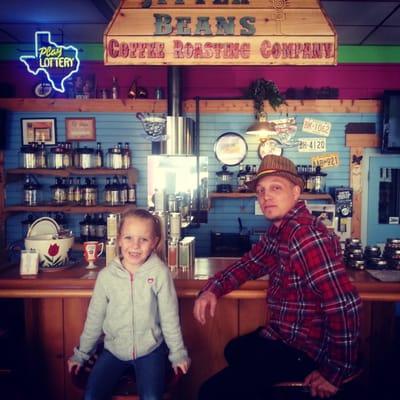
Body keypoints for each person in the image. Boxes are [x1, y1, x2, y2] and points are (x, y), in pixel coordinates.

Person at [194, 155, 362, 400]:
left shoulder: (305, 236)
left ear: (296, 192)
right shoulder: (281, 230)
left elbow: (345, 304)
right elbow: (251, 264)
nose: (266, 196)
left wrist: (334, 371)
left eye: (275, 188)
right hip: (284, 336)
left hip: (304, 350)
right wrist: (212, 288)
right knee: (235, 350)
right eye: (261, 191)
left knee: (210, 393)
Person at [68, 208, 190, 400]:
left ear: (154, 243)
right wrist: (81, 354)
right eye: (128, 238)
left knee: (151, 397)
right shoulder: (106, 277)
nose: (135, 245)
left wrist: (178, 354)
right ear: (118, 239)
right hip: (113, 351)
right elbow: (94, 319)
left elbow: (169, 318)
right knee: (91, 395)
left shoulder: (160, 273)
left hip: (150, 351)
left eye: (143, 239)